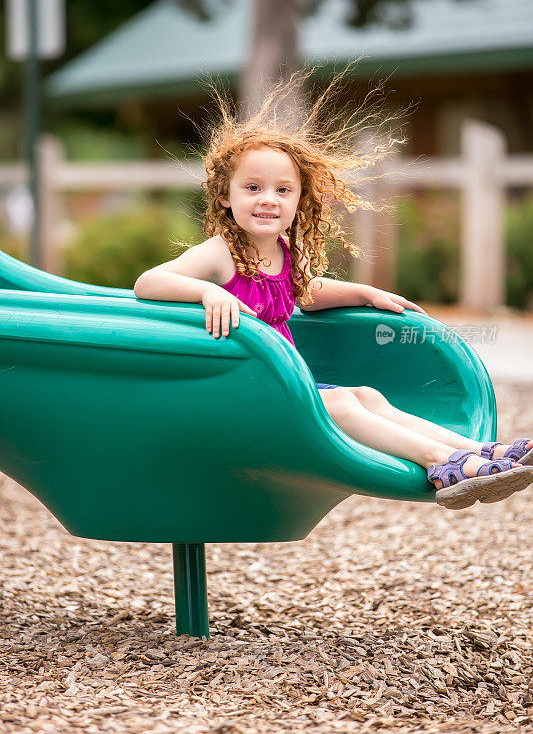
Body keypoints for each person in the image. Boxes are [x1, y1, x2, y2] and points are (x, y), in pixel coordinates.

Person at [134, 62, 533, 510]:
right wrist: (209, 291)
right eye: (253, 187)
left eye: (284, 190)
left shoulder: (284, 253)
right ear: (226, 196)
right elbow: (149, 282)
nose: (269, 199)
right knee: (342, 405)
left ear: (299, 200)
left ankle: (478, 451)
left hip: (284, 387)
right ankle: (443, 463)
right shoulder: (220, 252)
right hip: (242, 398)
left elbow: (307, 292)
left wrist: (364, 293)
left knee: (367, 396)